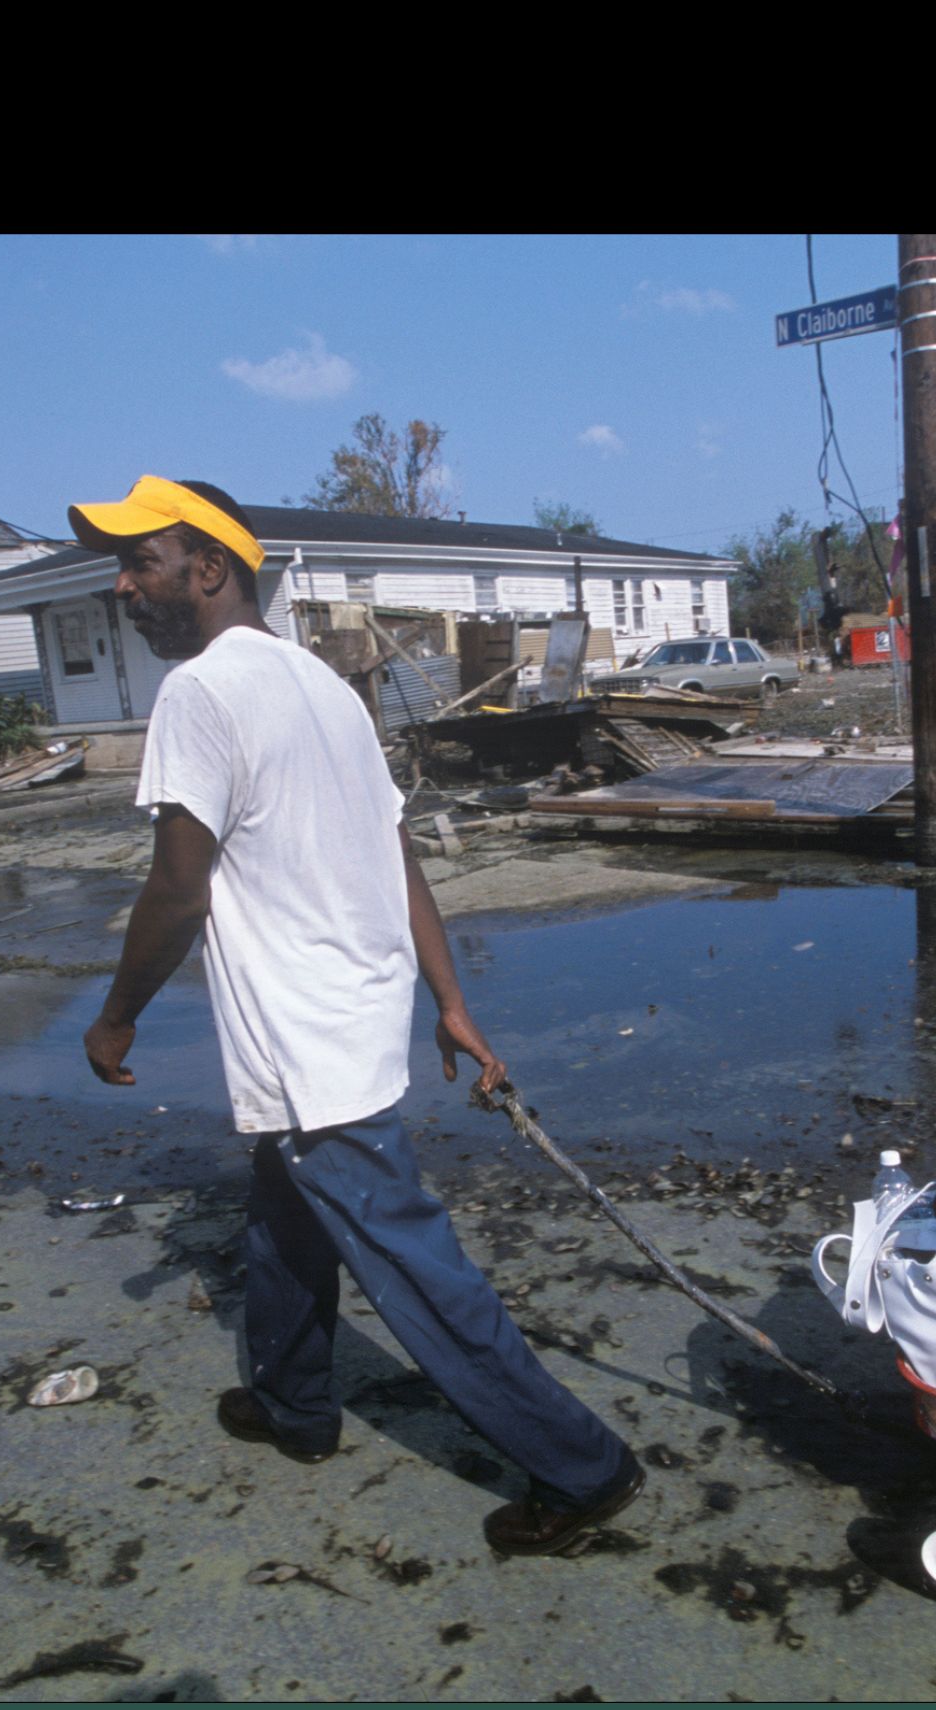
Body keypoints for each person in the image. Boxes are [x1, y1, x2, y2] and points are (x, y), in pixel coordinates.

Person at [76, 474, 643, 1556]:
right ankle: (294, 1405)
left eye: (138, 562)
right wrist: (452, 1002)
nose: (121, 584)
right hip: (358, 1017)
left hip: (308, 1044)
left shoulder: (201, 694)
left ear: (207, 569)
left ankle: (583, 1470)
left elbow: (178, 890)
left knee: (418, 1269)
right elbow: (397, 853)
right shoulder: (324, 687)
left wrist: (115, 1019)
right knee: (283, 1213)